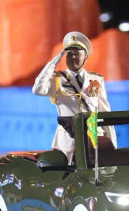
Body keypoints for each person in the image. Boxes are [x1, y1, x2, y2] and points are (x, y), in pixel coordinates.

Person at [32, 31, 116, 160]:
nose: (73, 57)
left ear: (86, 57)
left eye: (77, 53)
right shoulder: (56, 79)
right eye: (69, 54)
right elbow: (37, 89)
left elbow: (105, 113)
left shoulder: (96, 80)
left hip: (93, 138)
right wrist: (53, 62)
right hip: (68, 140)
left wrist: (112, 144)